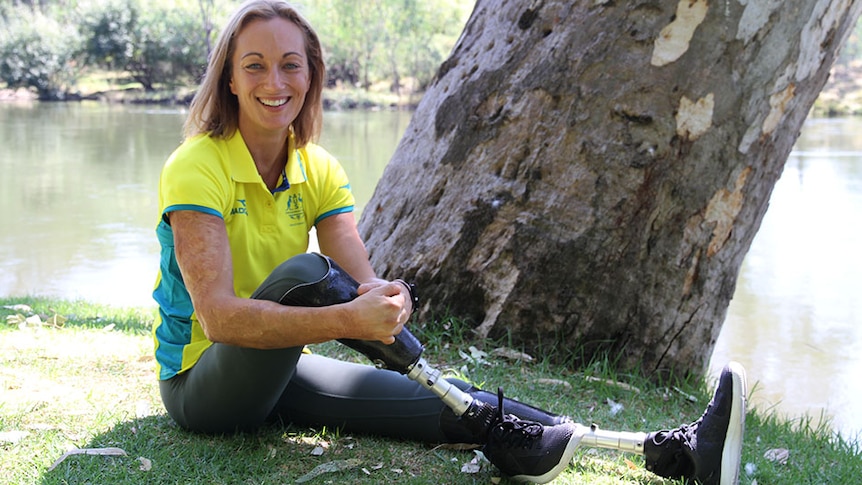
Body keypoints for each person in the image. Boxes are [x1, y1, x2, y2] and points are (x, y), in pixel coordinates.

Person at [151, 1, 747, 483]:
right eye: (254, 65)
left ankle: (675, 452)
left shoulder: (319, 167)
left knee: (457, 404)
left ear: (312, 74)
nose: (274, 81)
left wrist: (387, 301)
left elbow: (361, 282)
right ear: (228, 78)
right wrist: (347, 318)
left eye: (290, 64)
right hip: (202, 388)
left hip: (274, 374)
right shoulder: (195, 166)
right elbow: (221, 318)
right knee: (305, 272)